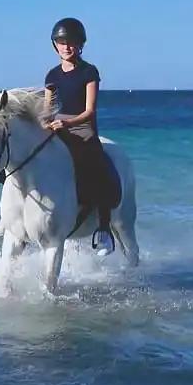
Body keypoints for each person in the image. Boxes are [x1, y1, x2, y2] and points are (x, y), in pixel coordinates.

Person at [42, 17, 118, 255]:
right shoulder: (52, 75)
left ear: (80, 44)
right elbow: (47, 109)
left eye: (71, 42)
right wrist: (43, 124)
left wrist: (66, 123)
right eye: (61, 42)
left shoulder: (89, 72)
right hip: (58, 125)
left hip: (82, 127)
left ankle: (104, 229)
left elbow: (89, 111)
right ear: (55, 45)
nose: (66, 47)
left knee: (97, 165)